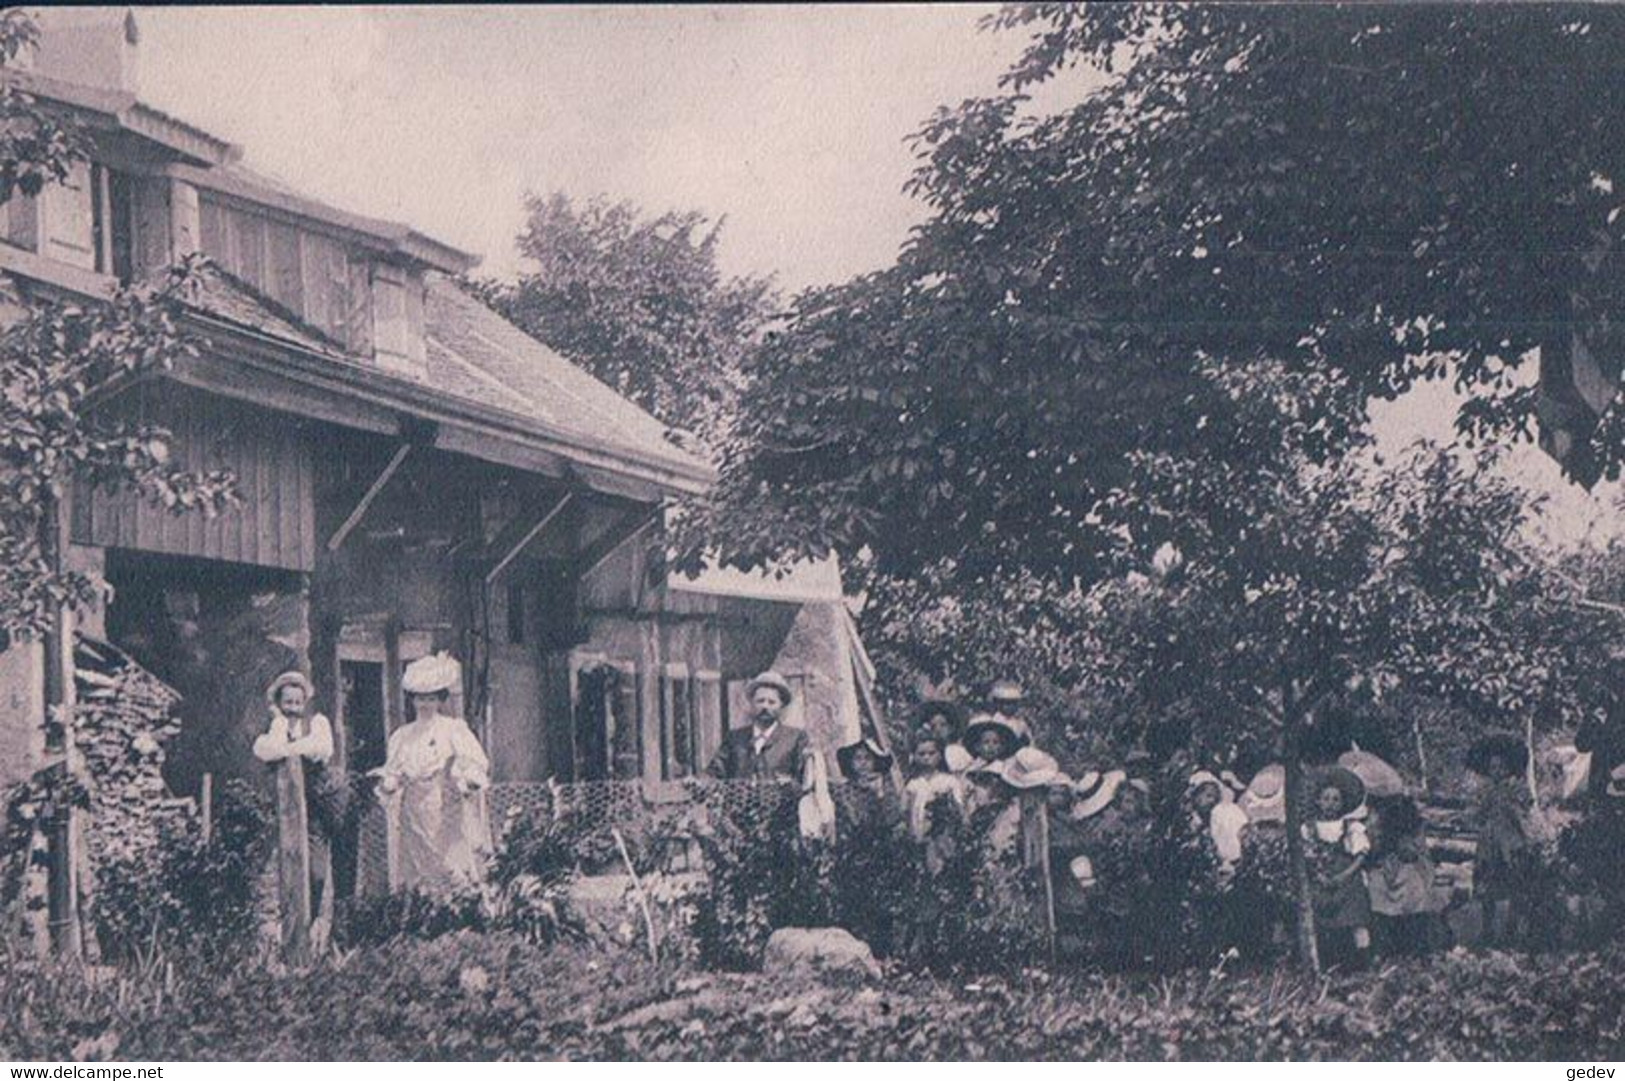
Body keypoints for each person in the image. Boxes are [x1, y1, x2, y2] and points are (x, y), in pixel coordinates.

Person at [374, 652, 491, 891]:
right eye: (420, 699)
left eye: (430, 699)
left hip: (444, 806)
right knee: (417, 866)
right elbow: (394, 771)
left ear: (440, 700)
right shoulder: (402, 735)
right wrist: (390, 782)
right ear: (413, 701)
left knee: (448, 864)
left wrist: (468, 780)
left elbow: (474, 762)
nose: (424, 705)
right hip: (412, 809)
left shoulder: (452, 729)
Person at [253, 671, 340, 939]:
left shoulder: (318, 723)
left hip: (315, 811)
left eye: (297, 703)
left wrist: (289, 748)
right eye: (287, 703)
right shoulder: (274, 729)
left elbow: (322, 748)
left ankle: (308, 924)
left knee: (316, 873)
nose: (293, 709)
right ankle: (288, 932)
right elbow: (265, 750)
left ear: (305, 703)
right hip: (284, 812)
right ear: (278, 704)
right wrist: (279, 726)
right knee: (280, 872)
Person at [1467, 733, 1535, 947]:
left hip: (1511, 842)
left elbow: (1525, 812)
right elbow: (1477, 816)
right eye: (1492, 768)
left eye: (1501, 768)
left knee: (1514, 886)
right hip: (1489, 844)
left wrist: (1513, 806)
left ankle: (1510, 930)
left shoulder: (1517, 789)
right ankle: (1487, 930)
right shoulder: (1485, 791)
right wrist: (1479, 809)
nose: (1496, 772)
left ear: (1509, 769)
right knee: (1487, 888)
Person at [1305, 767, 1372, 968]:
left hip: (1347, 879)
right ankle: (1325, 962)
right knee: (1321, 921)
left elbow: (1361, 855)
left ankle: (1362, 962)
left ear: (1343, 804)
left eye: (1336, 799)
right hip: (1320, 878)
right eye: (1326, 799)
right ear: (1318, 801)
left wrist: (1344, 876)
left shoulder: (1351, 827)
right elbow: (1306, 856)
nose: (1330, 804)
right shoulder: (1308, 828)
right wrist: (1318, 875)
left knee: (1355, 921)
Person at [1366, 796, 1444, 957]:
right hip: (1392, 871)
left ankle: (1408, 949)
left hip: (1408, 871)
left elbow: (1412, 851)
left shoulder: (1414, 829)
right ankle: (1398, 949)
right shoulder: (1378, 826)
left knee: (1412, 901)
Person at [706, 671, 810, 780]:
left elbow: (805, 779)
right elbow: (714, 772)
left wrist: (787, 784)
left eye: (771, 702)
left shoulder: (795, 738)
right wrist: (699, 781)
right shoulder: (735, 739)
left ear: (781, 707)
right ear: (751, 704)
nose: (765, 706)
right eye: (760, 701)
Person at [902, 732, 967, 844]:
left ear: (940, 755)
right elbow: (905, 810)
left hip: (944, 836)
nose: (927, 757)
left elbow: (959, 806)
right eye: (921, 754)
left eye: (932, 753)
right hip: (918, 834)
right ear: (914, 756)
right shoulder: (912, 784)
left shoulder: (950, 781)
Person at [916, 700, 974, 773]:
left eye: (943, 725)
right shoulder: (929, 752)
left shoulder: (956, 751)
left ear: (951, 728)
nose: (938, 730)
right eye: (933, 726)